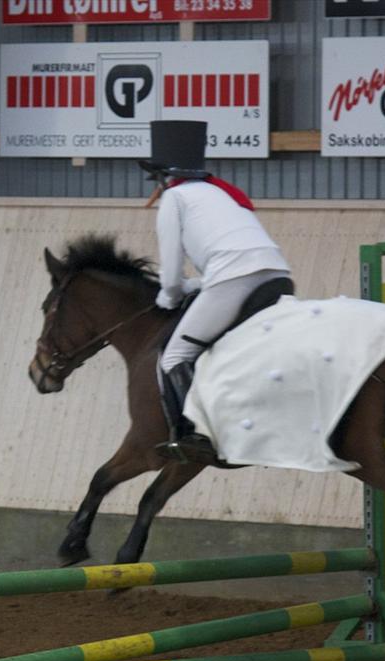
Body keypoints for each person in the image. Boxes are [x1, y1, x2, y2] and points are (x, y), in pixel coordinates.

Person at [140, 120, 293, 461]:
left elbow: (170, 280)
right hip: (278, 274)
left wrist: (168, 298)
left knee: (174, 357)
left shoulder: (174, 199)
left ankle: (195, 435)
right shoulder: (220, 193)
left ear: (164, 177)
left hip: (234, 280)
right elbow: (223, 262)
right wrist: (196, 285)